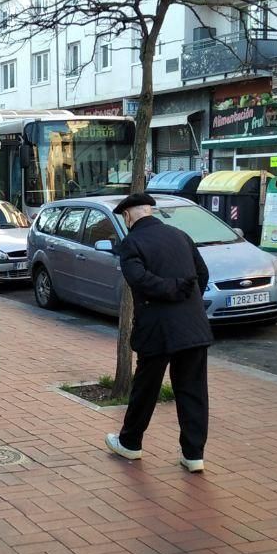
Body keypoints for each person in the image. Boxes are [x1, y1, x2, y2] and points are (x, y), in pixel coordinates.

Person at [105, 193, 213, 472]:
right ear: (149, 211)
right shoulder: (181, 235)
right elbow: (202, 274)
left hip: (157, 330)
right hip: (192, 328)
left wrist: (171, 290)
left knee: (145, 389)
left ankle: (130, 443)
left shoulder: (132, 243)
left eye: (125, 217)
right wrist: (186, 302)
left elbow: (138, 280)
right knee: (193, 391)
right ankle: (193, 455)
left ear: (129, 216)